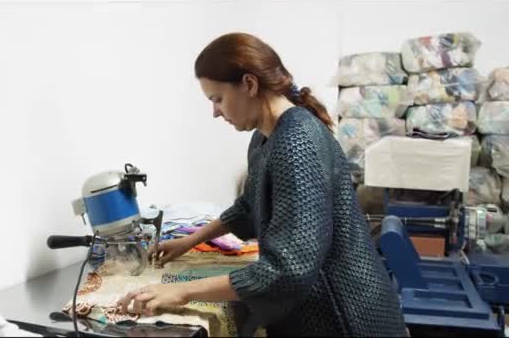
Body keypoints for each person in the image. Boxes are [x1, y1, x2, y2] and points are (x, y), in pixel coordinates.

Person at [117, 32, 407, 337]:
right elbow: (249, 204)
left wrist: (182, 291)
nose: (215, 111)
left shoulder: (297, 143)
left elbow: (289, 269)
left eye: (217, 98)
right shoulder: (265, 136)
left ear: (249, 84)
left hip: (345, 318)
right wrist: (189, 241)